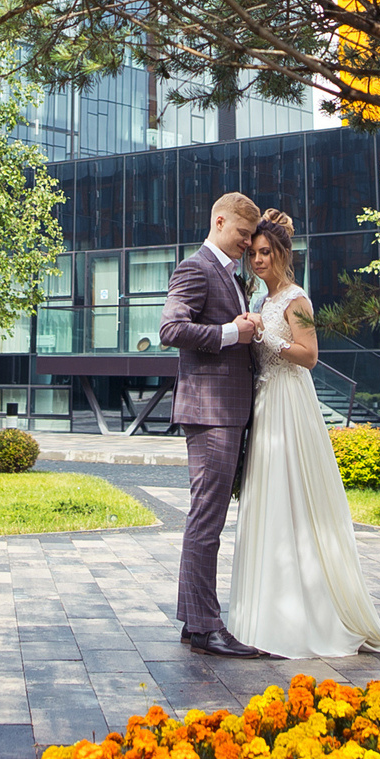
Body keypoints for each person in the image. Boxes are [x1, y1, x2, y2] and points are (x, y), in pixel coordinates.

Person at [227, 208, 380, 659]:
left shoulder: (296, 300)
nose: (257, 260)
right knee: (268, 500)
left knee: (294, 498)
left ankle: (310, 613)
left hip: (291, 405)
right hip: (266, 407)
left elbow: (310, 356)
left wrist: (268, 338)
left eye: (265, 253)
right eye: (254, 253)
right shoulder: (261, 301)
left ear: (282, 254)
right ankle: (265, 608)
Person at [158, 190, 277, 659]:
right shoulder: (196, 267)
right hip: (210, 413)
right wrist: (234, 333)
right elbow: (171, 329)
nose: (248, 245)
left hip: (228, 411)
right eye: (243, 235)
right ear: (220, 221)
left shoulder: (230, 275)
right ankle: (207, 629)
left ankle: (195, 621)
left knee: (209, 518)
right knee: (206, 520)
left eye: (252, 238)